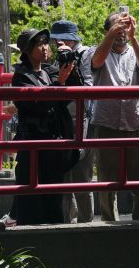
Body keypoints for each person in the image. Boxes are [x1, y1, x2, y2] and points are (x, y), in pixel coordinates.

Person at [11, 27, 86, 225]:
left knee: (54, 197)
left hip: (53, 144)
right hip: (33, 144)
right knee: (31, 200)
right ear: (27, 50)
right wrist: (59, 82)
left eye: (46, 43)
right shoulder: (21, 76)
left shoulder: (49, 71)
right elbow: (38, 105)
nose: (45, 48)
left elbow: (75, 91)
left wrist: (71, 66)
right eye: (39, 44)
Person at [89, 8, 139, 221]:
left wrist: (134, 38)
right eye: (116, 26)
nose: (121, 30)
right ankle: (109, 223)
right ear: (107, 30)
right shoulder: (97, 51)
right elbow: (96, 62)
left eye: (124, 26)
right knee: (107, 181)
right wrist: (110, 35)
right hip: (107, 124)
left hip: (136, 124)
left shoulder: (136, 51)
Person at [50, 19, 94, 223]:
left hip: (80, 117)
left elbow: (88, 85)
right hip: (62, 118)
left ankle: (86, 222)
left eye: (59, 41)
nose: (57, 45)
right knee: (63, 173)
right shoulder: (55, 58)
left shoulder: (84, 54)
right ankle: (67, 220)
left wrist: (72, 63)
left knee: (81, 174)